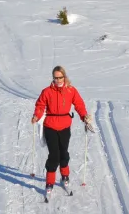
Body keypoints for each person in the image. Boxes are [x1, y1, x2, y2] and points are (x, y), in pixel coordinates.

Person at [31, 65, 95, 194]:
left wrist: (84, 116)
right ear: (53, 78)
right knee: (54, 155)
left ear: (64, 77)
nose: (58, 80)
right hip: (50, 126)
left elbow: (79, 104)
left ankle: (65, 177)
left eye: (60, 77)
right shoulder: (47, 91)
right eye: (56, 78)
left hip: (65, 126)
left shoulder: (71, 90)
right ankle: (49, 183)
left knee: (64, 153)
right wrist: (36, 116)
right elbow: (40, 105)